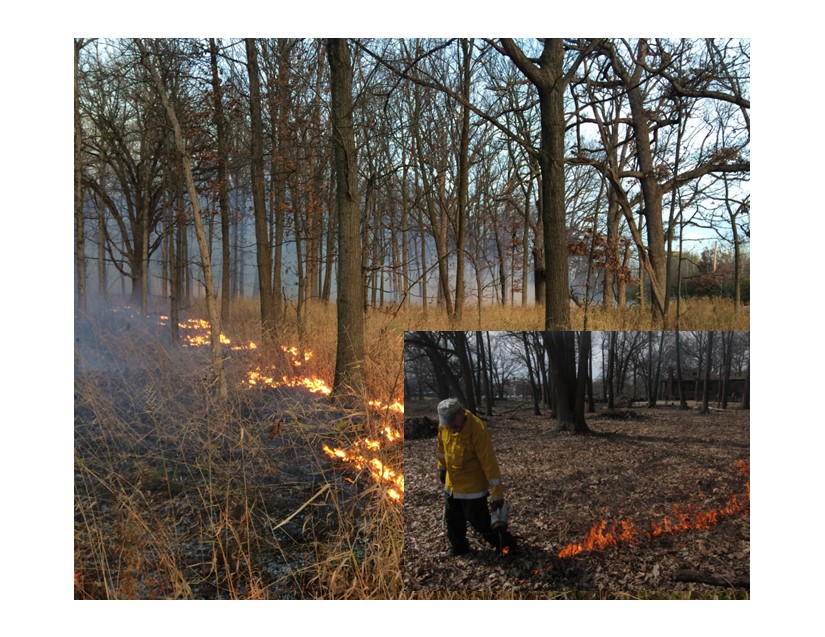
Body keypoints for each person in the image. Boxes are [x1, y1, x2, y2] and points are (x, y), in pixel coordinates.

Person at [436, 398, 516, 556]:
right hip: (452, 485)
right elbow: (441, 449)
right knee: (453, 520)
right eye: (447, 422)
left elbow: (489, 463)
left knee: (480, 522)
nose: (451, 426)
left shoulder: (477, 428)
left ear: (461, 413)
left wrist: (497, 493)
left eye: (453, 421)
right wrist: (442, 468)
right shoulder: (444, 426)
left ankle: (507, 545)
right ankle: (459, 547)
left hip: (472, 488)